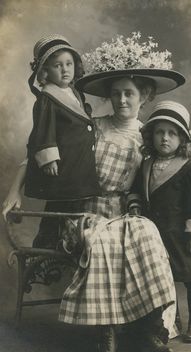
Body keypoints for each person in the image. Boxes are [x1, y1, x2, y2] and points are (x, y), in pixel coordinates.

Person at [3, 33, 185, 352]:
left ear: (142, 96)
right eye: (115, 95)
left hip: (122, 209)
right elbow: (37, 151)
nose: (122, 101)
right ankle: (107, 332)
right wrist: (14, 190)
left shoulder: (148, 136)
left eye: (129, 94)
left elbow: (166, 176)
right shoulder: (92, 126)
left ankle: (148, 328)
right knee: (102, 241)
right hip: (84, 209)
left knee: (146, 234)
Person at [136, 100, 191, 343]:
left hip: (183, 236)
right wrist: (134, 204)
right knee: (166, 279)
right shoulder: (146, 165)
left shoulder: (189, 170)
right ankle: (173, 319)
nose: (164, 138)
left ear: (182, 139)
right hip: (158, 235)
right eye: (159, 132)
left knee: (189, 278)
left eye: (171, 133)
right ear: (151, 136)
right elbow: (138, 191)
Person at [25, 34, 100, 248]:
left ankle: (69, 243)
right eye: (58, 66)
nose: (65, 70)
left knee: (74, 205)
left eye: (69, 64)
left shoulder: (74, 93)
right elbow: (43, 128)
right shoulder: (48, 97)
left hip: (78, 162)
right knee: (59, 207)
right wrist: (48, 157)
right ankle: (44, 246)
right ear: (45, 71)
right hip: (64, 164)